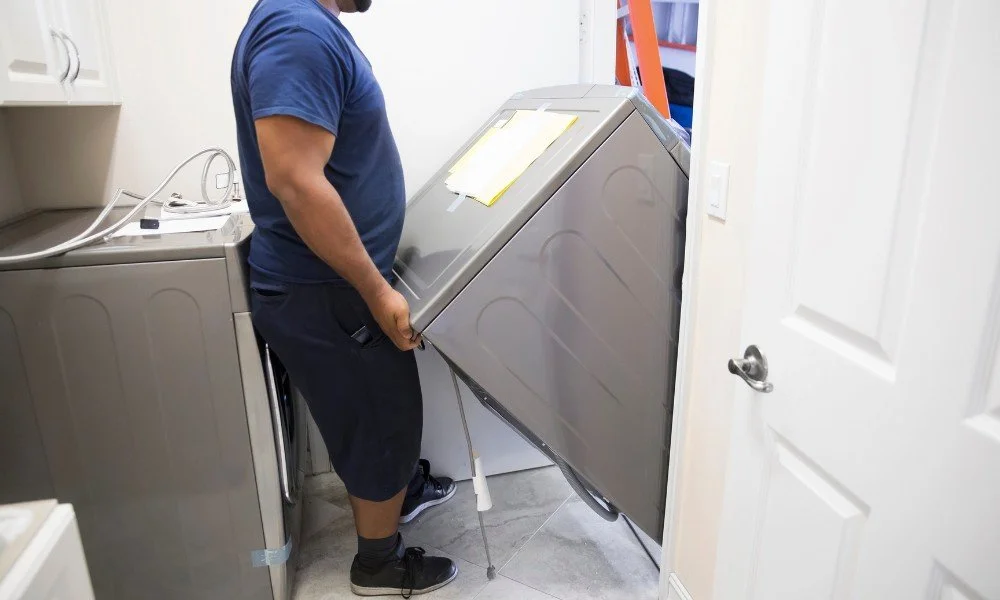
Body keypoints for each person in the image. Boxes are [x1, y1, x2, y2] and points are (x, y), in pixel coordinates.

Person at [231, 0, 459, 595]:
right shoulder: (297, 32)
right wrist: (376, 289)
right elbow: (296, 181)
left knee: (373, 409)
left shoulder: (304, 26)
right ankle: (379, 565)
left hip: (329, 284)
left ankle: (396, 493)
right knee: (380, 417)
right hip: (328, 288)